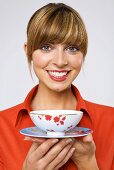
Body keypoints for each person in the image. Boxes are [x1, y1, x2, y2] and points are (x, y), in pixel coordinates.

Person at [0, 2, 114, 170]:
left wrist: (89, 164)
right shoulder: (2, 127)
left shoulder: (111, 122)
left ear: (83, 54)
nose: (60, 61)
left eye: (72, 48)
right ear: (28, 51)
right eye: (46, 47)